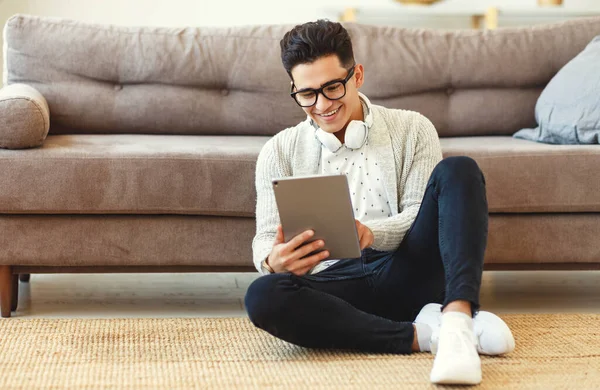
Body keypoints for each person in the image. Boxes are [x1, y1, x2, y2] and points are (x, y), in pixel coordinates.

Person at [244, 19, 515, 385]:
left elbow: (424, 214)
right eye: (307, 94)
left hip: (405, 271)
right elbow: (264, 236)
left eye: (333, 87)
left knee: (459, 170)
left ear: (357, 75)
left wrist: (371, 234)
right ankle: (425, 336)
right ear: (293, 89)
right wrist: (272, 260)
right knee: (263, 295)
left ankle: (455, 317)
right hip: (335, 288)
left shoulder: (413, 128)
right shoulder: (278, 150)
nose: (322, 105)